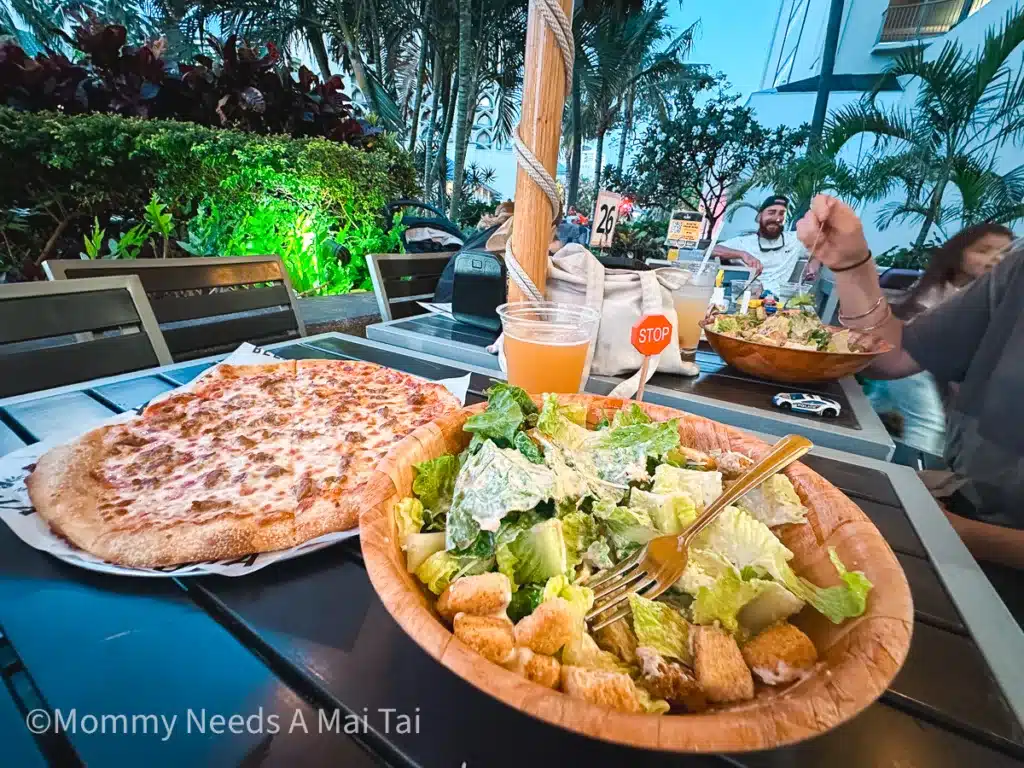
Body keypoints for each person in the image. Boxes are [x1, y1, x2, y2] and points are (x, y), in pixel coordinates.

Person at [796, 195, 1024, 573]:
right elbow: (891, 355)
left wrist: (960, 533)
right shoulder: (1018, 269)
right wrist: (851, 263)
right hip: (954, 501)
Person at [864, 223, 1014, 456]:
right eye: (983, 250)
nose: (995, 259)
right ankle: (911, 478)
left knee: (877, 405)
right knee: (928, 422)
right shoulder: (938, 291)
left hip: (920, 362)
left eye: (1004, 253)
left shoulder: (984, 299)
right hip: (912, 357)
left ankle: (861, 446)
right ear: (958, 253)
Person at [714, 195, 817, 294]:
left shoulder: (795, 240)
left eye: (781, 214)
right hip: (749, 297)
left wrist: (813, 263)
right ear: (759, 217)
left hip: (778, 302)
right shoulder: (744, 243)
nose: (777, 218)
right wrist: (743, 254)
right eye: (771, 213)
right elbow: (711, 250)